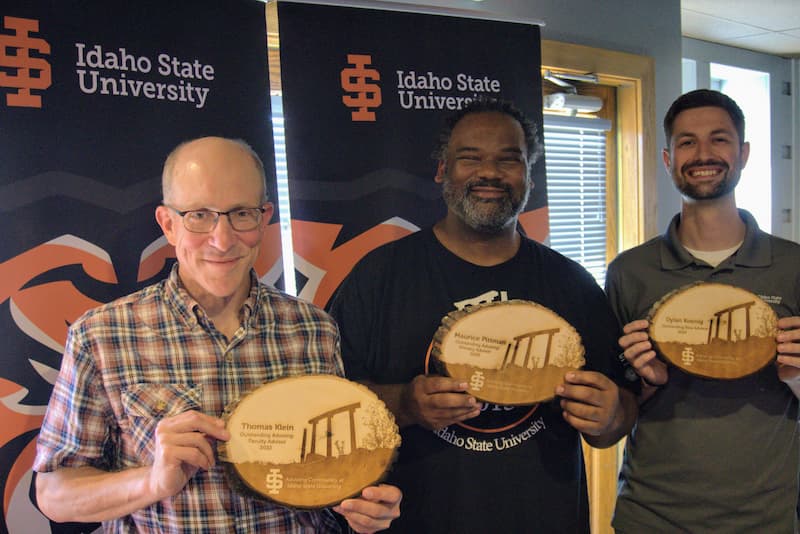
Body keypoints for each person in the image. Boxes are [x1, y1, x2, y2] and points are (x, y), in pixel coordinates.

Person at [33, 136, 402, 533]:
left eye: (241, 213)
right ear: (168, 223)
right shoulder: (103, 334)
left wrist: (361, 508)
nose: (223, 240)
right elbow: (55, 494)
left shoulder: (313, 328)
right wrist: (152, 481)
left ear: (263, 218)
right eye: (199, 215)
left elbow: (331, 473)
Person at [327, 98, 638, 532]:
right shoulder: (379, 276)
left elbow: (613, 420)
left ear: (529, 175)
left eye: (509, 160)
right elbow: (329, 405)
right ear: (442, 170)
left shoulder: (571, 283)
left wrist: (610, 416)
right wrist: (406, 404)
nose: (489, 173)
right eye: (470, 158)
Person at [606, 89, 800, 532]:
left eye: (720, 139)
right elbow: (612, 414)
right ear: (667, 157)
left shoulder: (793, 267)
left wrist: (796, 375)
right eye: (687, 142)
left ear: (744, 153)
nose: (704, 154)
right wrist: (646, 381)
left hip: (765, 519)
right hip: (652, 516)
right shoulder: (630, 271)